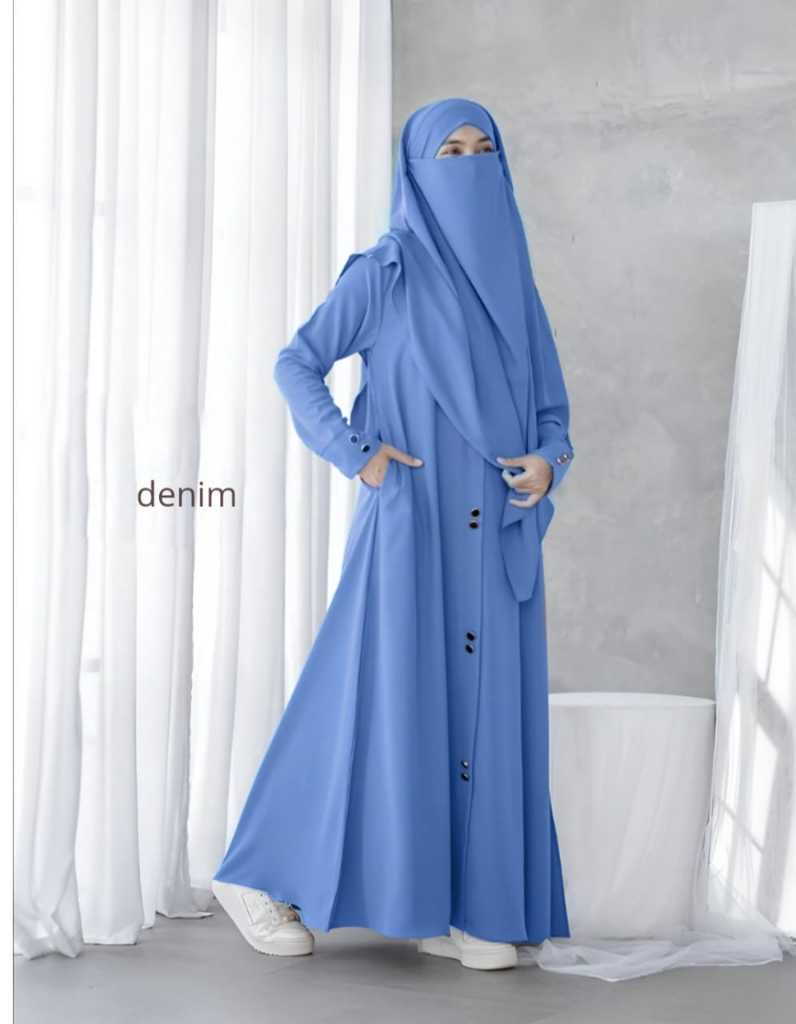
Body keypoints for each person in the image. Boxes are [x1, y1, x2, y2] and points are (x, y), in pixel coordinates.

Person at [212, 98, 575, 972]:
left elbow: (554, 411)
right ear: (415, 169)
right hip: (413, 522)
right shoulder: (388, 270)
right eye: (451, 152)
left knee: (471, 713)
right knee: (367, 695)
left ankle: (459, 903)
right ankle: (253, 875)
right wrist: (357, 453)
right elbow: (296, 361)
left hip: (496, 536)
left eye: (484, 150)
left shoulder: (516, 285)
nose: (470, 165)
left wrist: (549, 461)